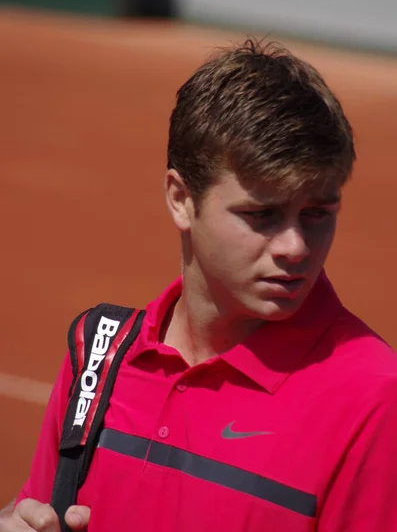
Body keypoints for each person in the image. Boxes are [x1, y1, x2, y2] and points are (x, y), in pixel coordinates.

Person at [1, 39, 397, 532]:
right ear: (181, 199)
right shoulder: (99, 354)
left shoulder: (373, 399)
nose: (295, 246)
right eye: (263, 214)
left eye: (317, 213)